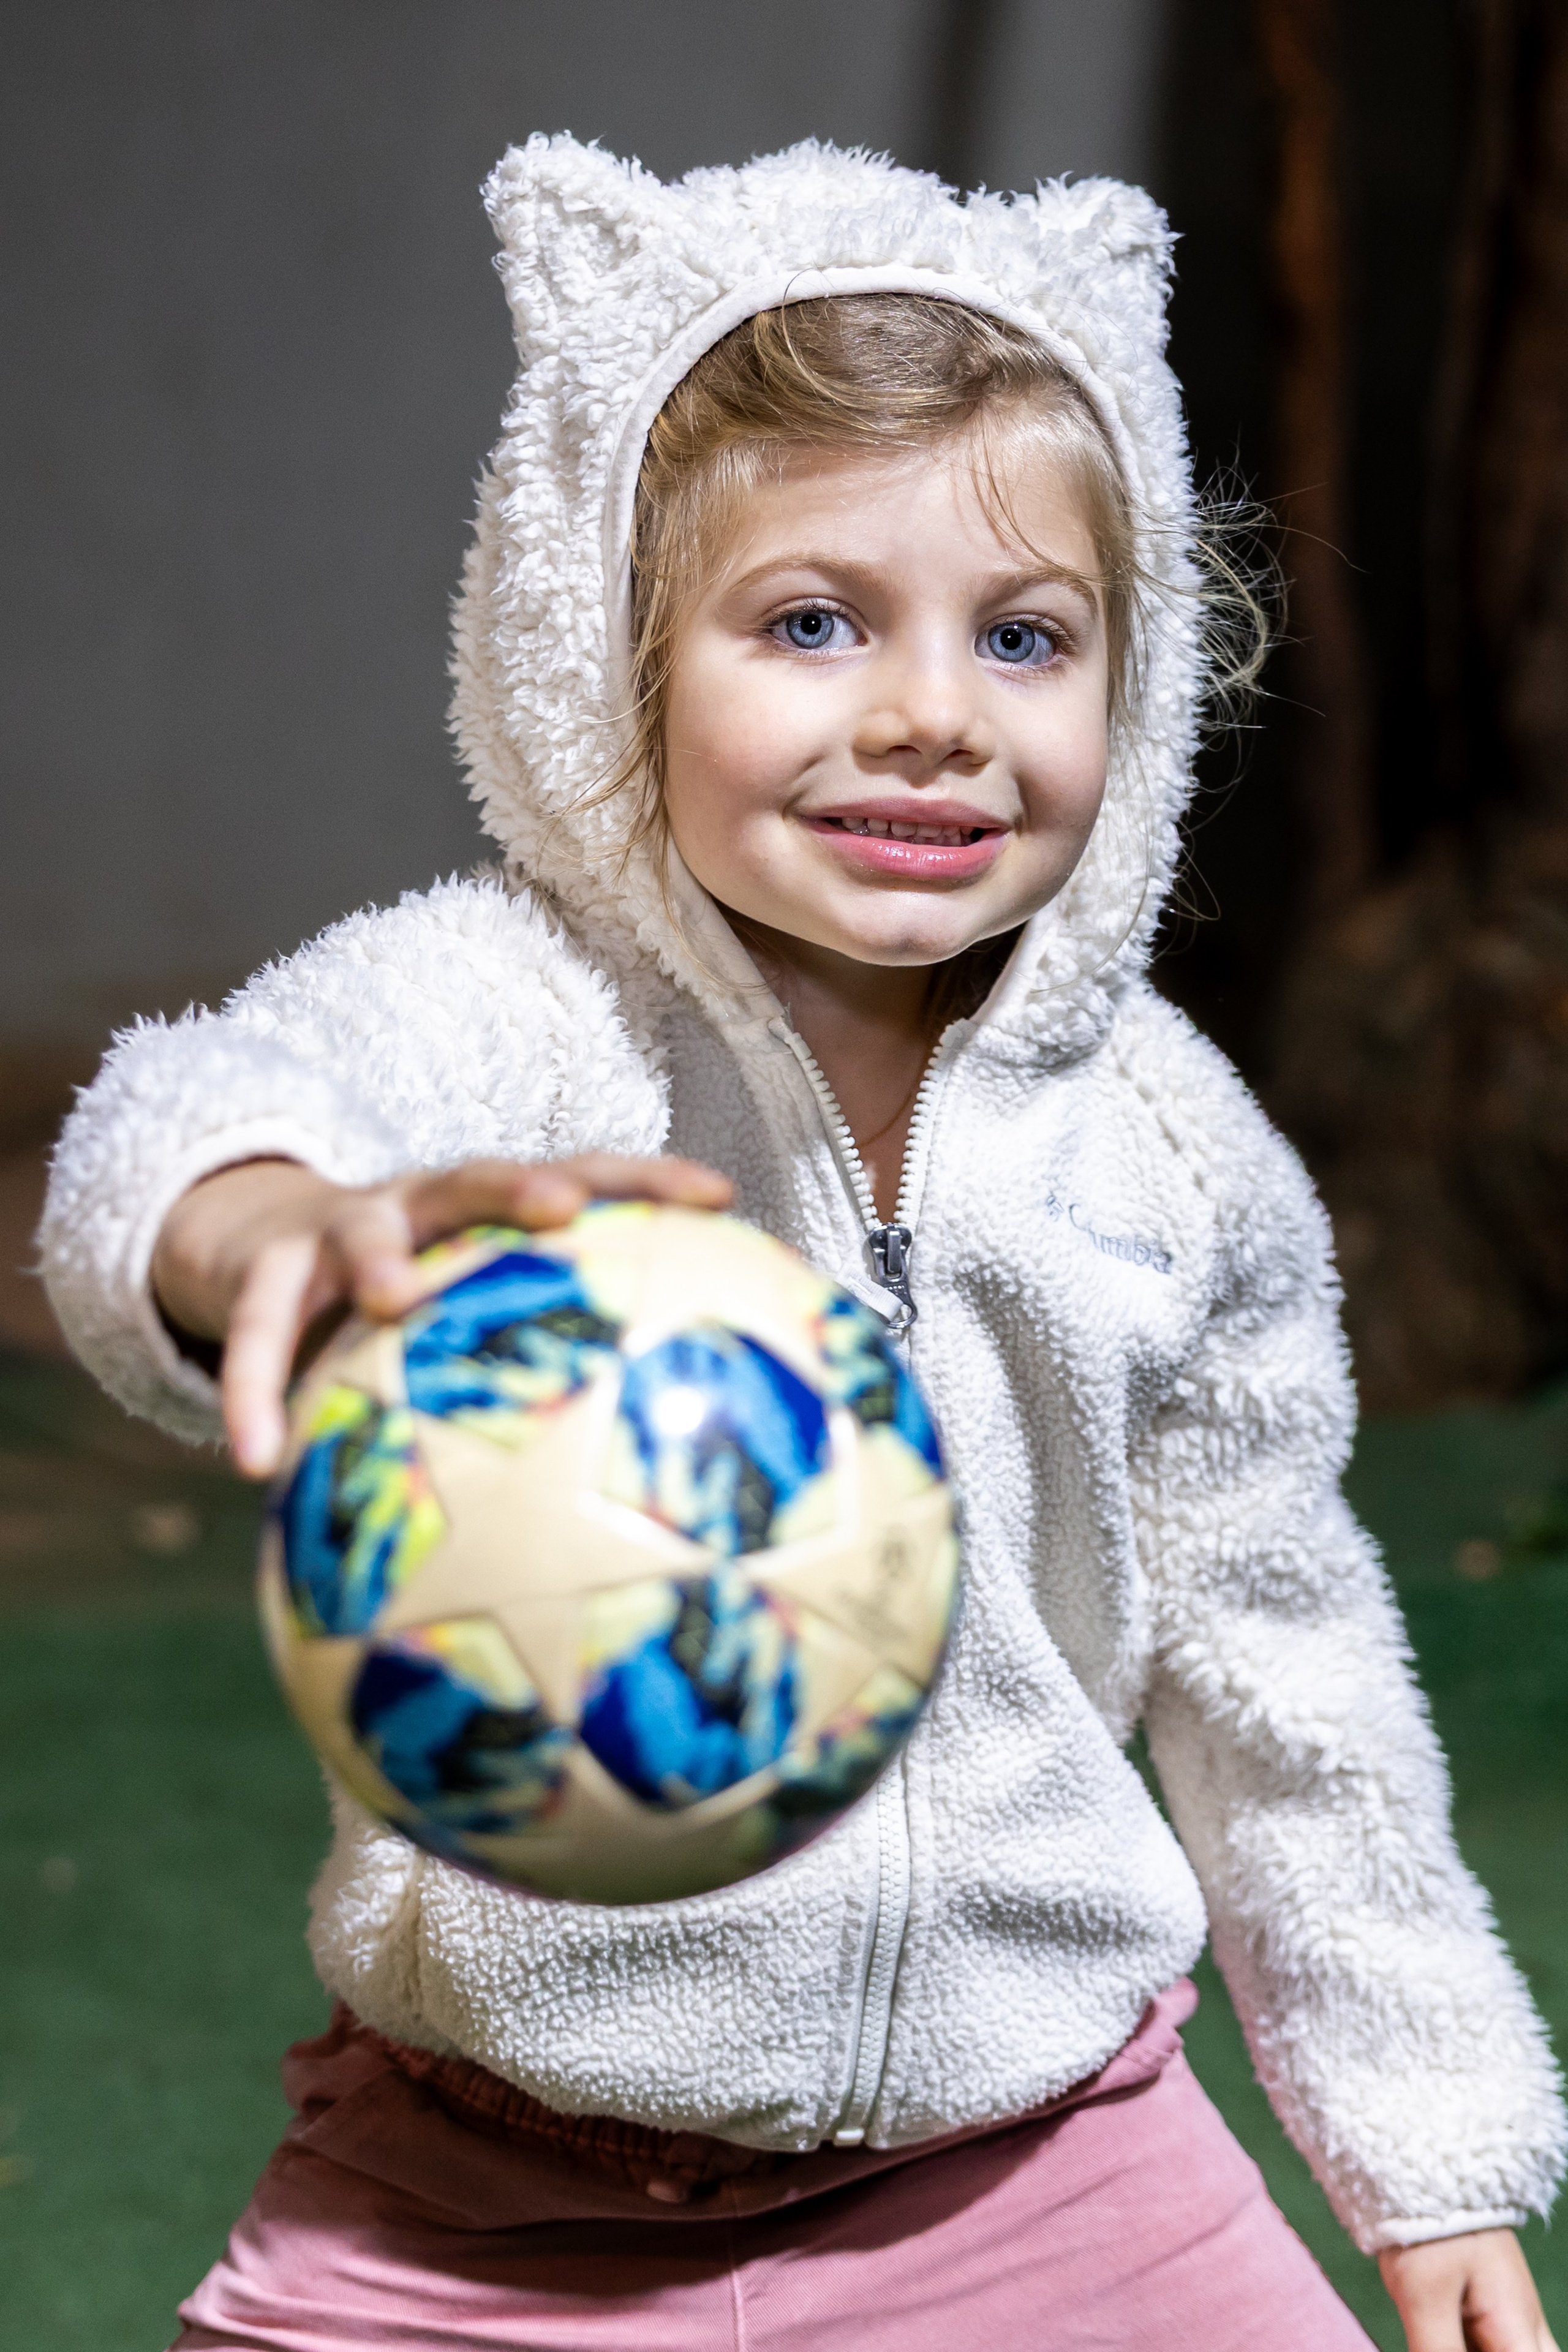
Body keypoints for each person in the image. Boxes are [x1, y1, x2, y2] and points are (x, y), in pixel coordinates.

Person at [41, 137, 1564, 2351]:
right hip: (487, 2183)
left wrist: (1431, 2164)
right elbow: (184, 1107)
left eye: (1024, 635)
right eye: (814, 621)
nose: (933, 709)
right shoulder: (505, 1011)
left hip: (1052, 2169)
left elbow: (1292, 1681)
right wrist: (272, 1219)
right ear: (608, 656)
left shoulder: (1167, 1151)